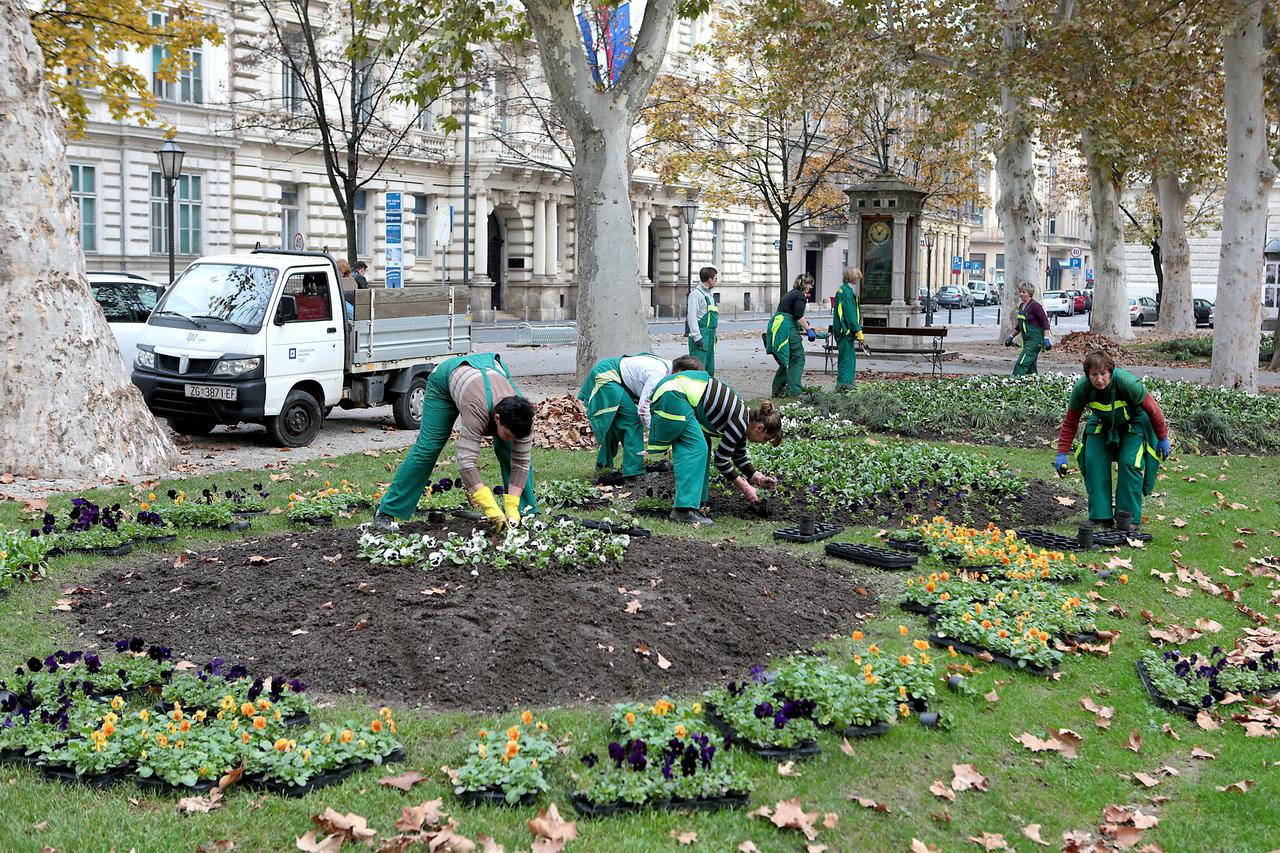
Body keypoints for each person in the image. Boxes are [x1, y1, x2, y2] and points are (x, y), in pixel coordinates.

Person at [375, 353, 538, 532]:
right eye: (508, 433)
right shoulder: (477, 410)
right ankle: (387, 511)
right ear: (497, 418)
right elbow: (466, 462)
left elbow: (521, 463)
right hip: (446, 381)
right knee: (428, 449)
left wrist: (512, 505)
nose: (514, 439)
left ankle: (524, 512)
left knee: (508, 448)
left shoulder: (524, 417)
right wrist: (489, 504)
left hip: (488, 371)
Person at [645, 365, 782, 525]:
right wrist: (744, 487)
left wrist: (758, 478)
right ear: (759, 428)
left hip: (676, 393)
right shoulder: (739, 421)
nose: (763, 443)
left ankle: (696, 504)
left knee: (704, 445)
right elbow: (721, 461)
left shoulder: (744, 419)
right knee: (696, 447)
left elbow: (739, 456)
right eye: (766, 439)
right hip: (673, 393)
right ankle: (683, 510)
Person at [1055, 350, 1171, 530]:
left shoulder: (1127, 383)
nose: (1099, 380)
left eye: (1103, 374)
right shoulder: (1082, 389)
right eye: (1094, 375)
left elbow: (1153, 410)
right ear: (1088, 375)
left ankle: (1129, 518)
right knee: (1093, 460)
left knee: (1129, 463)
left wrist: (1162, 438)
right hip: (1103, 422)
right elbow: (1071, 422)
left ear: (1110, 372)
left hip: (1134, 422)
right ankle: (1101, 516)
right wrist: (1062, 453)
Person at [578, 353, 671, 484]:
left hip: (612, 374)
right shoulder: (659, 374)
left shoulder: (668, 367)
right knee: (632, 421)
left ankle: (603, 467)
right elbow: (643, 411)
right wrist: (660, 437)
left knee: (615, 423)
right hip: (608, 376)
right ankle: (634, 472)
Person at [766, 273, 823, 397]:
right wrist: (809, 329)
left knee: (785, 360)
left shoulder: (790, 293)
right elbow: (798, 315)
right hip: (787, 329)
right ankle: (796, 392)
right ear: (804, 284)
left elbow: (787, 313)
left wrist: (802, 326)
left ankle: (777, 391)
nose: (811, 287)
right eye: (809, 284)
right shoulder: (800, 297)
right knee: (797, 358)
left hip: (778, 326)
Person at [831, 267, 866, 391]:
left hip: (842, 331)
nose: (858, 280)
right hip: (845, 332)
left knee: (846, 358)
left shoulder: (843, 290)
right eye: (857, 277)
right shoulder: (847, 292)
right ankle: (845, 386)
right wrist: (858, 330)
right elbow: (850, 314)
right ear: (853, 277)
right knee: (847, 360)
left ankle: (847, 384)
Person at [1005, 283, 1051, 375]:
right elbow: (1020, 325)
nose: (1021, 294)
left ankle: (1015, 381)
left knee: (1022, 362)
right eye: (1020, 292)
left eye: (1024, 292)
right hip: (1026, 340)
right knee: (1031, 366)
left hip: (1035, 340)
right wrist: (1011, 337)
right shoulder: (1022, 306)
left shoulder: (1035, 306)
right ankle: (1033, 383)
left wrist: (1046, 338)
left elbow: (1045, 321)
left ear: (1029, 293)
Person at [687, 267, 720, 376]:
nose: (716, 281)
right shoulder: (696, 295)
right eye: (715, 278)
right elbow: (691, 317)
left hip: (710, 336)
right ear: (709, 279)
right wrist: (697, 336)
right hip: (701, 336)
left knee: (709, 368)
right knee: (698, 369)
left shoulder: (709, 295)